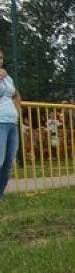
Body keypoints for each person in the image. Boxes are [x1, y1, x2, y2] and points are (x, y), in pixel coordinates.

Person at [0, 50, 21, 199]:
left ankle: (0, 195)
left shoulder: (8, 78)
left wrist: (17, 112)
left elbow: (16, 94)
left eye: (0, 57)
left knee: (8, 163)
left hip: (12, 123)